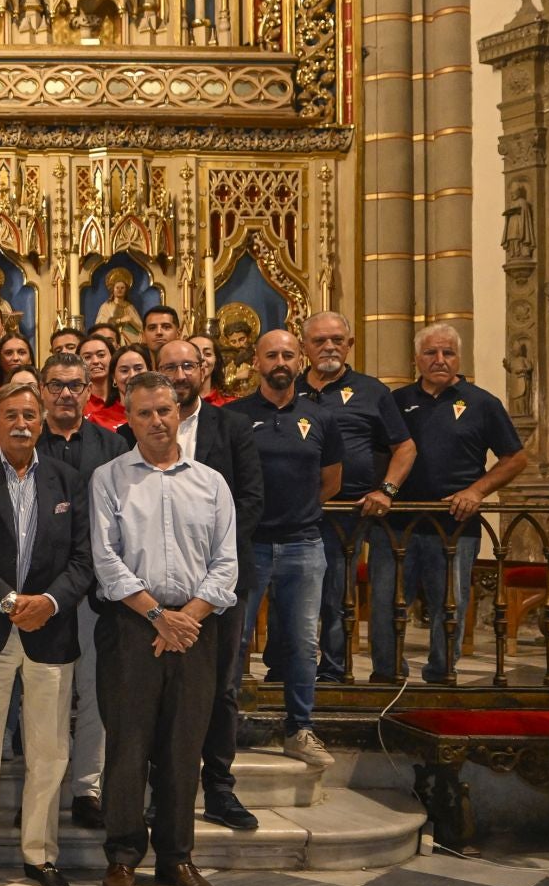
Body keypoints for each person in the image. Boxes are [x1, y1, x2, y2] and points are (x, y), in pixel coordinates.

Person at [90, 372, 237, 886]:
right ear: (127, 418)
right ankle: (123, 857)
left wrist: (187, 618)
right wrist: (159, 617)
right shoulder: (109, 479)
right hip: (133, 627)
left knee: (182, 749)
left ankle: (177, 857)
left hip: (196, 628)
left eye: (165, 411)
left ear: (180, 413)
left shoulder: (211, 482)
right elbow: (106, 561)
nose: (156, 421)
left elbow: (226, 564)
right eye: (144, 413)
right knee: (128, 747)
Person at [0, 384, 91, 886]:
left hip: (50, 632)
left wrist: (47, 604)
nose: (22, 423)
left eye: (31, 414)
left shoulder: (69, 481)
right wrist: (10, 603)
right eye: (11, 414)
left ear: (44, 418)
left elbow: (83, 560)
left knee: (49, 749)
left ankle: (41, 854)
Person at [153, 337, 265, 833]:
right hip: (156, 590)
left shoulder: (232, 426)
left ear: (204, 370)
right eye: (169, 366)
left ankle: (218, 787)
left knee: (221, 688)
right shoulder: (140, 429)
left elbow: (251, 501)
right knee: (162, 691)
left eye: (187, 365)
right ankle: (163, 790)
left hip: (219, 586)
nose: (180, 374)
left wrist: (211, 574)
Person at [374, 324, 526, 683]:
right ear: (417, 358)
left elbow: (515, 458)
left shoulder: (482, 403)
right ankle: (387, 675)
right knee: (386, 606)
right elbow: (377, 452)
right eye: (431, 353)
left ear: (459, 357)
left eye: (448, 353)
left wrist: (477, 491)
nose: (439, 360)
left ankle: (442, 675)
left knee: (449, 607)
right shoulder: (396, 401)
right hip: (397, 524)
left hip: (454, 524)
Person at [226, 331, 344, 768]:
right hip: (246, 545)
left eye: (288, 355)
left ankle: (299, 729)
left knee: (300, 642)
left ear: (301, 361)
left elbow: (331, 480)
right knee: (235, 640)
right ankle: (224, 726)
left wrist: (301, 510)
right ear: (256, 361)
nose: (280, 361)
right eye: (271, 354)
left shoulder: (320, 417)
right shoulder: (234, 416)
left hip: (303, 544)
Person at [33, 351, 129, 831]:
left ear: (90, 390)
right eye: (56, 385)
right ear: (42, 391)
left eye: (75, 385)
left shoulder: (112, 446)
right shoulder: (27, 438)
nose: (66, 393)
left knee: (93, 693)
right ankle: (41, 789)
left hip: (96, 592)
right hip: (42, 592)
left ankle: (86, 788)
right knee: (46, 696)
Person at [298, 312, 415, 683]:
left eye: (337, 339)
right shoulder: (290, 388)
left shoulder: (372, 390)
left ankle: (337, 671)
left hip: (356, 510)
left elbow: (406, 448)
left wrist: (388, 490)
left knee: (341, 597)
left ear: (350, 345)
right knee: (304, 598)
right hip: (302, 510)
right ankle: (302, 669)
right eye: (319, 340)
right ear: (304, 346)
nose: (329, 346)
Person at [80, 335, 125, 430]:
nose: (95, 361)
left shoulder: (124, 396)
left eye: (101, 355)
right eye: (87, 357)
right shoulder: (77, 401)